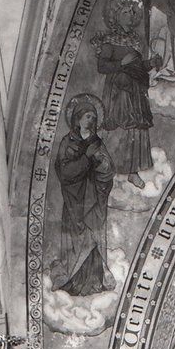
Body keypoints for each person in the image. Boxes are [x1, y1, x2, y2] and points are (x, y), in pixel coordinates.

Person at [51, 93, 116, 297]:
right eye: (88, 116)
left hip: (93, 200)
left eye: (94, 117)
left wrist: (98, 161)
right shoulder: (67, 142)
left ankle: (94, 282)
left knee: (93, 238)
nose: (92, 120)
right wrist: (86, 160)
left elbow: (107, 169)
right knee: (75, 239)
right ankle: (71, 279)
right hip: (75, 202)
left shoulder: (97, 142)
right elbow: (65, 172)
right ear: (77, 118)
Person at [91, 0, 156, 180]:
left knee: (137, 125)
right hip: (119, 90)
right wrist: (121, 64)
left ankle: (133, 170)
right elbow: (102, 66)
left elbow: (138, 66)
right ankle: (114, 166)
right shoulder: (109, 41)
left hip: (135, 88)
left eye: (132, 12)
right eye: (126, 13)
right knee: (122, 125)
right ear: (115, 16)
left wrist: (150, 63)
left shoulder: (136, 41)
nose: (131, 16)